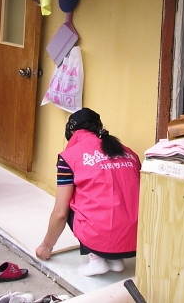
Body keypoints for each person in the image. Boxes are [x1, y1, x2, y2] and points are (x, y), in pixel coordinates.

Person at [36, 108, 141, 276]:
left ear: (72, 132)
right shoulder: (129, 153)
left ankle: (96, 260)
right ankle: (116, 260)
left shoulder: (69, 157)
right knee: (119, 194)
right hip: (137, 240)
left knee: (69, 202)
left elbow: (60, 213)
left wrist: (46, 247)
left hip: (102, 236)